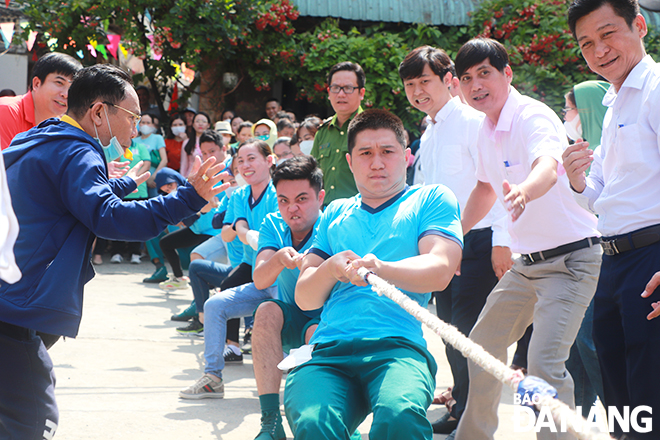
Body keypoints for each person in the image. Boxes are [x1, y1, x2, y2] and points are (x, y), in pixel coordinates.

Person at [0, 64, 227, 440]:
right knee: (35, 423)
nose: (137, 128)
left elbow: (69, 201)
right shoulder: (76, 151)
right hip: (14, 310)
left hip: (12, 297)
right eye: (133, 116)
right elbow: (107, 217)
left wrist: (117, 183)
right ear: (99, 112)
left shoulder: (40, 139)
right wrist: (187, 197)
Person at [452, 38, 602, 440]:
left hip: (572, 262)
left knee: (544, 363)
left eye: (484, 73)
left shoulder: (533, 115)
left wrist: (523, 191)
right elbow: (485, 189)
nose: (476, 85)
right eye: (466, 78)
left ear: (507, 73)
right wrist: (453, 235)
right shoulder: (485, 129)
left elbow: (547, 167)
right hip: (527, 266)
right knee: (480, 346)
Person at [284, 109, 463, 439]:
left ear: (407, 157)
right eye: (366, 153)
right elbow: (305, 296)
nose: (377, 163)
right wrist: (331, 268)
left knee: (400, 417)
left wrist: (381, 269)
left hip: (398, 349)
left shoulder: (431, 199)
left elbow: (440, 269)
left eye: (387, 152)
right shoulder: (335, 212)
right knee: (313, 423)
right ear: (350, 162)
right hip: (329, 351)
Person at [398, 45, 511, 438]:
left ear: (448, 80)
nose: (417, 91)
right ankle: (462, 409)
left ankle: (476, 420)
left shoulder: (468, 120)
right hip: (442, 248)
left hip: (476, 243)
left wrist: (501, 239)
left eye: (425, 81)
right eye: (410, 85)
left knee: (470, 335)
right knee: (450, 331)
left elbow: (493, 184)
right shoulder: (429, 130)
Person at [564, 1, 660, 437]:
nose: (599, 50)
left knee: (649, 396)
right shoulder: (614, 99)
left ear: (639, 25)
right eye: (587, 43)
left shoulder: (656, 90)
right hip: (614, 260)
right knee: (621, 399)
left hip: (651, 259)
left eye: (608, 34)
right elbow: (602, 195)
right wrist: (578, 179)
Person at [249, 156, 325, 439]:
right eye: (283, 200)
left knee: (316, 334)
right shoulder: (272, 223)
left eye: (302, 199)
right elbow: (260, 278)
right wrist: (281, 258)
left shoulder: (334, 222)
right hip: (293, 314)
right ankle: (270, 423)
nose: (292, 208)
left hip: (328, 318)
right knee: (265, 310)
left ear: (320, 197)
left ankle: (335, 422)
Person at [158, 130, 230, 290]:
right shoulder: (203, 171)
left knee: (198, 259)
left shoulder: (232, 170)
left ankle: (206, 299)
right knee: (166, 243)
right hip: (198, 227)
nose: (208, 156)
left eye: (212, 151)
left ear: (223, 149)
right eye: (204, 152)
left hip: (216, 231)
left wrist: (212, 206)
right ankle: (179, 278)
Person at [0, 52, 81, 150]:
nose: (66, 94)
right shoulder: (6, 111)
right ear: (36, 84)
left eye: (72, 88)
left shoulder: (65, 126)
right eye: (59, 83)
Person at [310, 61, 365, 206]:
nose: (341, 94)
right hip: (326, 215)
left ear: (361, 93)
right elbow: (312, 175)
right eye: (335, 88)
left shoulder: (372, 128)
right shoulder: (323, 132)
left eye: (348, 88)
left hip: (361, 213)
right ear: (329, 93)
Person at [135, 112, 168, 199]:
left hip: (154, 180)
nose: (145, 125)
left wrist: (153, 177)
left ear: (153, 125)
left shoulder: (158, 138)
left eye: (148, 123)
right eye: (143, 122)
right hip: (138, 179)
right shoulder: (134, 140)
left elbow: (164, 160)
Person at [180, 111, 212, 177]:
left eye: (203, 121)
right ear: (193, 124)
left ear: (208, 125)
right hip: (190, 178)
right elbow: (184, 165)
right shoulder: (187, 142)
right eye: (197, 121)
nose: (200, 124)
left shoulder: (212, 142)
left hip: (207, 178)